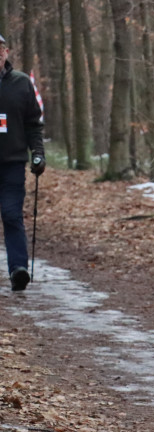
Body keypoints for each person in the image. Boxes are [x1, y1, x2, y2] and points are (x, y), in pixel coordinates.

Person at [0, 33, 45, 292]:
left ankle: (19, 269)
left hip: (13, 163)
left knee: (12, 215)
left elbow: (33, 124)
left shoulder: (22, 83)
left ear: (6, 52)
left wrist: (38, 154)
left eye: (1, 49)